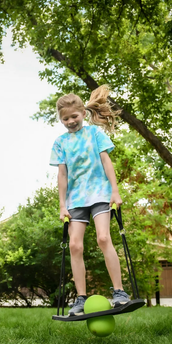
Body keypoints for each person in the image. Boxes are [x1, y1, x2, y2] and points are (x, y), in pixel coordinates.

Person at [49, 85, 130, 316]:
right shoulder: (60, 143)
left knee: (104, 238)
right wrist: (62, 205)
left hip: (100, 193)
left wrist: (115, 191)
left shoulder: (95, 134)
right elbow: (62, 175)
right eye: (65, 118)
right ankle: (81, 298)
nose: (70, 121)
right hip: (76, 200)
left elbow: (106, 162)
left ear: (83, 113)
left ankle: (119, 292)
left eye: (74, 116)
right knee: (75, 245)